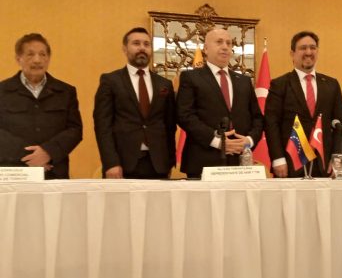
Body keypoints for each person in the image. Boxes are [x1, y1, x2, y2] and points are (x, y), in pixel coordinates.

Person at [176, 27, 263, 178]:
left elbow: (257, 118)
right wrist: (217, 141)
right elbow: (185, 116)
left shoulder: (244, 81)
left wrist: (249, 140)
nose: (225, 47)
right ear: (205, 49)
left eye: (229, 43)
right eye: (219, 42)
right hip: (203, 161)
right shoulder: (191, 78)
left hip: (239, 161)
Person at [93, 27, 176, 179]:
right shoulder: (110, 81)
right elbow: (102, 126)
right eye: (136, 43)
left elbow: (169, 126)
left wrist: (170, 161)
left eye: (146, 44)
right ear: (125, 49)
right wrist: (111, 162)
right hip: (122, 164)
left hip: (158, 165)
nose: (142, 48)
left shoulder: (164, 84)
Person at [265, 31, 342, 178]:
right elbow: (271, 124)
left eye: (312, 48)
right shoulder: (280, 84)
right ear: (292, 53)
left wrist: (338, 157)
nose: (308, 52)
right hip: (290, 164)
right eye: (303, 48)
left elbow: (340, 123)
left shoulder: (332, 85)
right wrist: (278, 159)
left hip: (324, 164)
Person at [0, 33, 82, 179]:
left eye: (42, 54)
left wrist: (48, 152)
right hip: (14, 172)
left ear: (48, 58)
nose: (37, 60)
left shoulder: (65, 91)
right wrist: (31, 157)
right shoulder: (2, 91)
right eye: (30, 54)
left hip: (54, 170)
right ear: (18, 59)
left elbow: (75, 130)